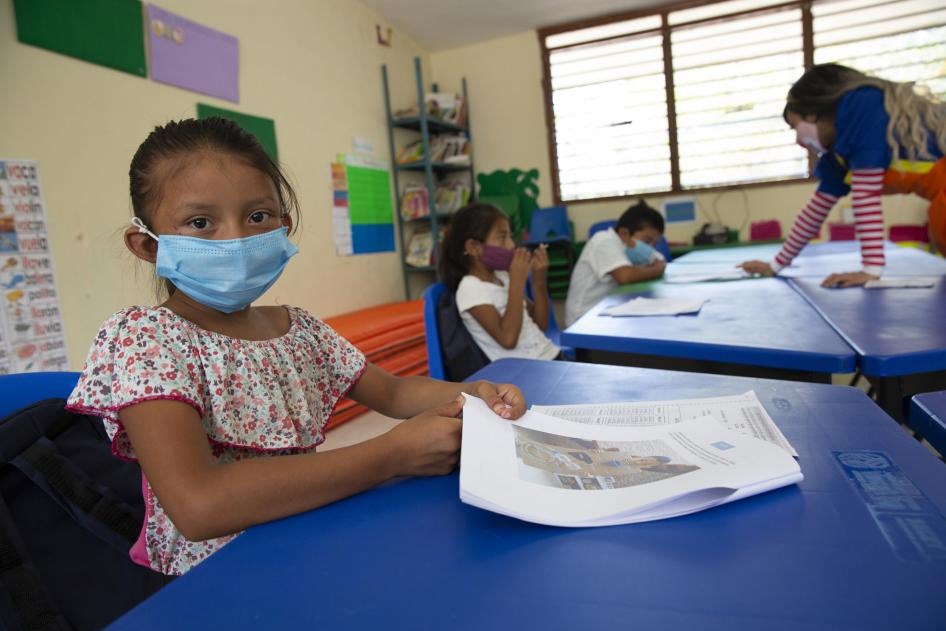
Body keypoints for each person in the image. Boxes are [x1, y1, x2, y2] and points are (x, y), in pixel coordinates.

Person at [64, 118, 526, 576]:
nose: (237, 239)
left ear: (283, 225)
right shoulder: (145, 340)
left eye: (257, 216)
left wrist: (474, 394)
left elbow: (394, 393)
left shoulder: (298, 328)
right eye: (201, 222)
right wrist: (390, 454)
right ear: (147, 245)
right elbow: (199, 504)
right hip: (215, 579)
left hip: (307, 537)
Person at [740, 63, 946, 287]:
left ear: (814, 113)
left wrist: (870, 270)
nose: (799, 140)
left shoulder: (862, 106)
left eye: (795, 127)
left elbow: (865, 193)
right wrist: (776, 265)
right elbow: (816, 209)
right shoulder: (840, 153)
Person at [439, 202, 561, 362]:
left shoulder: (502, 276)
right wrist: (517, 282)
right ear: (474, 247)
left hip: (549, 357)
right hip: (523, 372)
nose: (511, 245)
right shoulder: (470, 288)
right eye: (502, 237)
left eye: (510, 236)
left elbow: (541, 325)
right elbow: (508, 339)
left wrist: (538, 282)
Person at [565, 200, 666, 326]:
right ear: (624, 233)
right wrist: (656, 270)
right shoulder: (604, 241)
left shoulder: (631, 248)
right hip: (584, 320)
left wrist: (656, 266)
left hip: (608, 311)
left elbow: (659, 260)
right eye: (647, 241)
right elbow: (625, 276)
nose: (651, 248)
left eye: (655, 244)